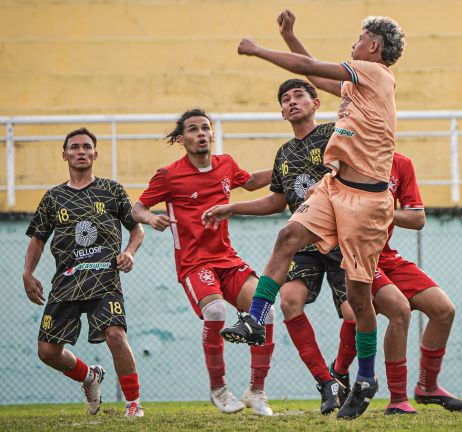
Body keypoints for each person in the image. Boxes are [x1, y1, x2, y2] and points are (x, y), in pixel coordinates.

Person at [206, 10, 406, 419]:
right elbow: (315, 76)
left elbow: (311, 70)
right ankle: (255, 318)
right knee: (287, 237)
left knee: (358, 298)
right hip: (334, 189)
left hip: (367, 202)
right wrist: (292, 36)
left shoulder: (376, 74)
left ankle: (365, 376)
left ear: (372, 46)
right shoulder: (358, 89)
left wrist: (259, 50)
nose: (353, 44)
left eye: (358, 38)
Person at [131, 109, 275, 416]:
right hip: (195, 264)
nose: (200, 134)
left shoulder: (226, 164)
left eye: (204, 128)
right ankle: (219, 389)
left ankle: (256, 391)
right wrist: (151, 218)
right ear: (182, 139)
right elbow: (137, 208)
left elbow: (250, 183)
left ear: (211, 134)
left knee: (267, 311)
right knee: (216, 309)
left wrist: (288, 168)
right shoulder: (169, 175)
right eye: (193, 129)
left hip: (227, 259)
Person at [330, 152, 462, 414]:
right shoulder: (345, 161)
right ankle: (395, 400)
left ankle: (427, 387)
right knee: (396, 309)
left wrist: (383, 213)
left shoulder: (402, 163)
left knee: (443, 310)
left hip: (387, 257)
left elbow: (417, 218)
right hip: (355, 256)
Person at [23, 127, 145, 417]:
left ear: (95, 153)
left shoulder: (112, 190)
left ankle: (134, 404)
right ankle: (89, 377)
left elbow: (137, 228)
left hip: (104, 277)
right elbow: (38, 239)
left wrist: (128, 252)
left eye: (87, 147)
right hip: (66, 282)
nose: (81, 151)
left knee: (115, 333)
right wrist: (28, 273)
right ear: (64, 154)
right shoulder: (53, 197)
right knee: (47, 351)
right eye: (75, 147)